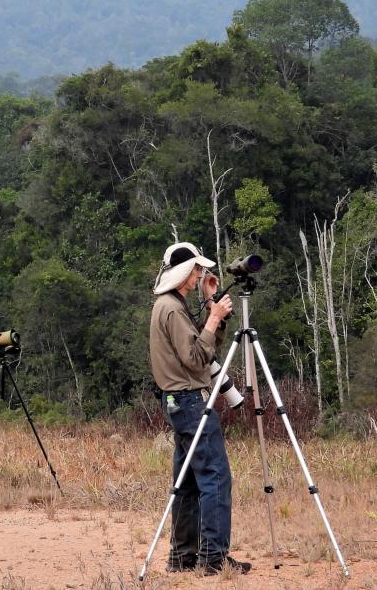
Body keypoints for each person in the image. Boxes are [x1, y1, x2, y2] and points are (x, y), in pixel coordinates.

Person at [148, 242, 251, 575]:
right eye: (195, 270)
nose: (199, 275)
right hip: (190, 401)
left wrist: (211, 309)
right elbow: (196, 360)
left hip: (177, 401)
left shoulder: (167, 305)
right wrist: (215, 317)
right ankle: (213, 559)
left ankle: (183, 558)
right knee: (216, 476)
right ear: (182, 271)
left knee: (188, 482)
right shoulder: (172, 309)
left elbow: (202, 351)